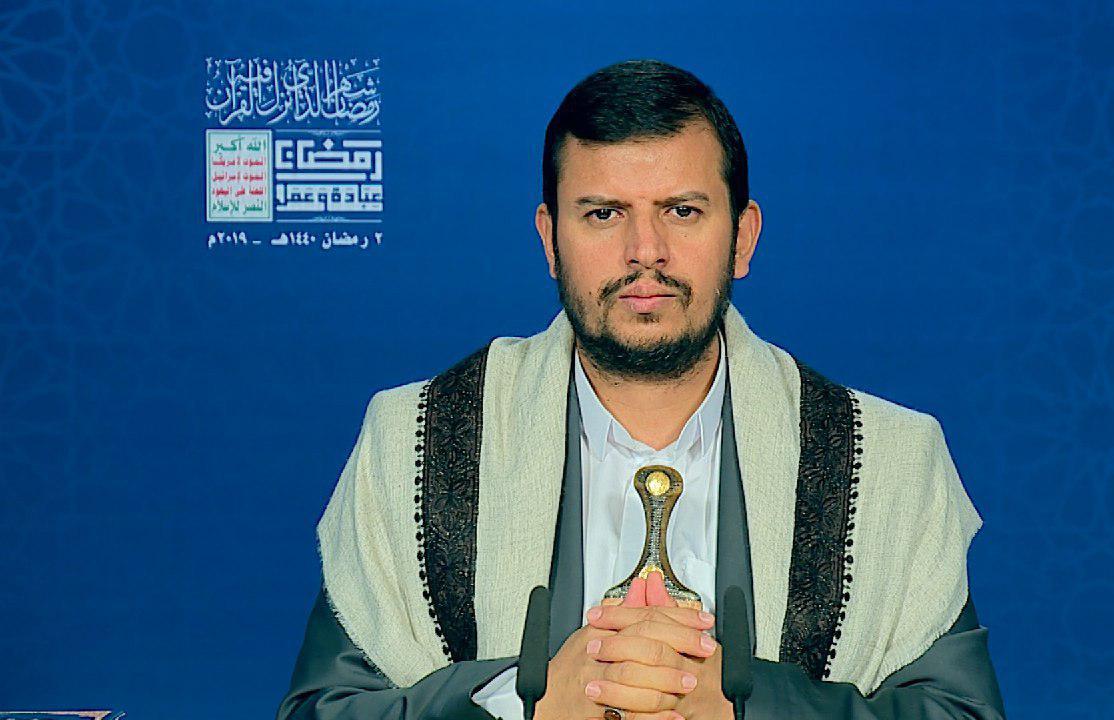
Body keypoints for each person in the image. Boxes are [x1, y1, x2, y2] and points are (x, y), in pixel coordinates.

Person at [276, 58, 1006, 720]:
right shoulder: (413, 440)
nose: (644, 252)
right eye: (604, 214)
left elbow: (957, 713)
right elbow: (324, 710)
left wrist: (750, 708)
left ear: (743, 237)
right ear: (549, 240)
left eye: (682, 211)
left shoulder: (888, 463)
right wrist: (523, 703)